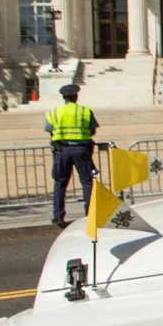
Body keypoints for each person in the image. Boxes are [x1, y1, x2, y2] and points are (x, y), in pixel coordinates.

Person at [45, 84, 98, 228]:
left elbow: (49, 130)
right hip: (81, 150)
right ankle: (90, 213)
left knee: (60, 183)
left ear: (63, 97)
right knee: (87, 182)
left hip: (61, 151)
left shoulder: (53, 112)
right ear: (76, 96)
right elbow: (92, 130)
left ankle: (58, 216)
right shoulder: (85, 111)